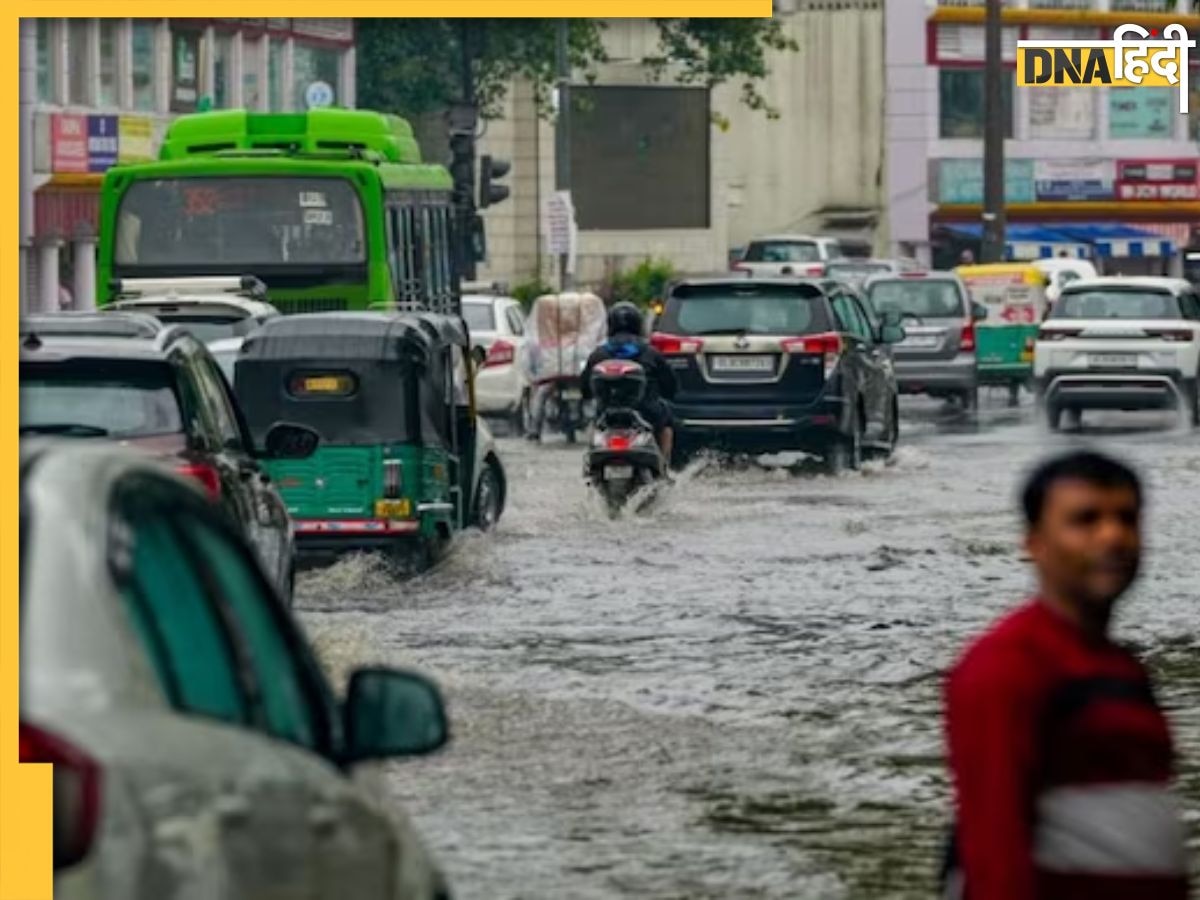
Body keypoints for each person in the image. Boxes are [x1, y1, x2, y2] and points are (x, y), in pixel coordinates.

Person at [943, 451, 1188, 900]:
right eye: (1086, 520)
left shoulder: (1122, 667)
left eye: (1127, 518)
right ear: (1034, 543)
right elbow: (995, 856)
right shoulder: (1005, 667)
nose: (1113, 536)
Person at [581, 302, 678, 466]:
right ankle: (664, 463)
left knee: (593, 423)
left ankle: (590, 465)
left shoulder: (598, 354)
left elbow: (585, 389)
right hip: (647, 412)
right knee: (667, 421)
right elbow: (671, 385)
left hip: (606, 414)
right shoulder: (651, 352)